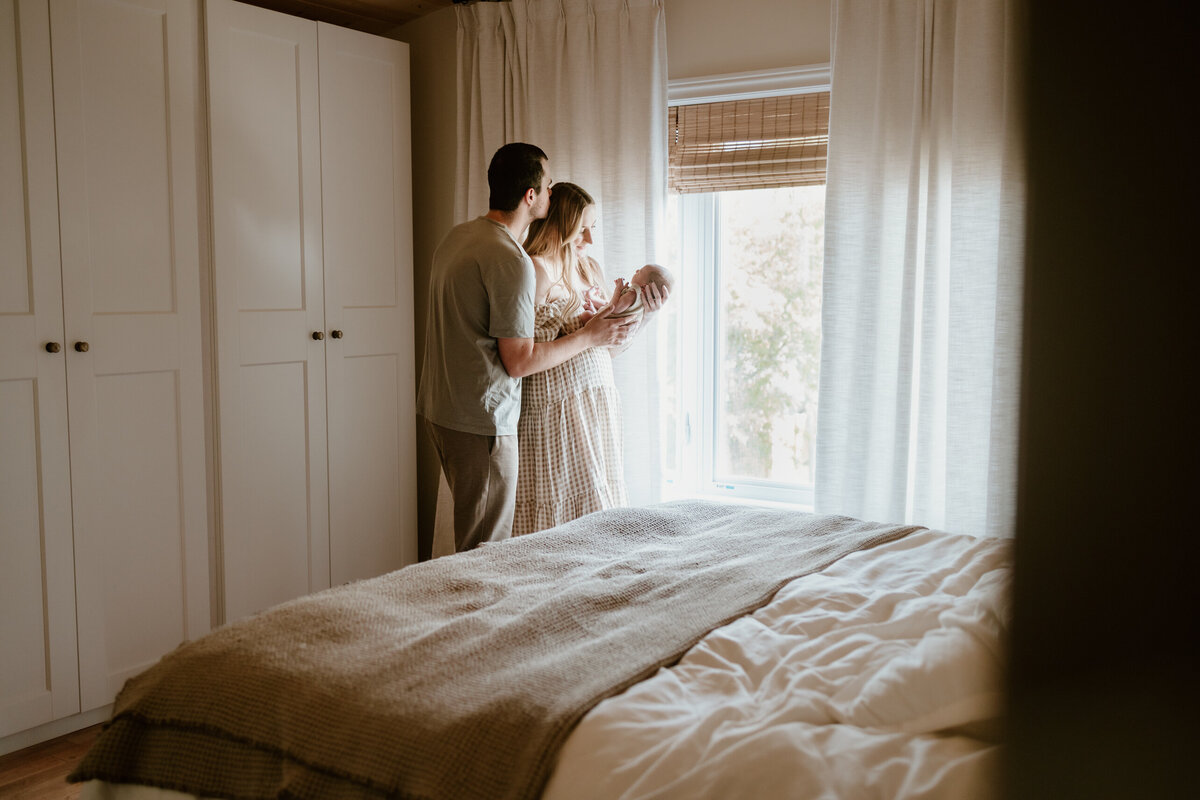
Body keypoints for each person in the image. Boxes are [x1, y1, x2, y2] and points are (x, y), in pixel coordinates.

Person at [417, 146, 637, 553]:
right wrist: (589, 336)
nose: (552, 192)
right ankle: (478, 613)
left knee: (473, 536)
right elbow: (518, 361)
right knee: (487, 547)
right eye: (548, 185)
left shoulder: (458, 236)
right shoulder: (511, 259)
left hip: (440, 408)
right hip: (481, 417)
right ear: (530, 196)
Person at [512, 182, 670, 537]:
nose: (589, 238)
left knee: (598, 516)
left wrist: (644, 318)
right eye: (582, 228)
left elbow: (607, 346)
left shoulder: (589, 270)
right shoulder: (535, 271)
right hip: (553, 409)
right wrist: (589, 335)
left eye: (592, 228)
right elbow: (521, 356)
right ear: (560, 225)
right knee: (558, 513)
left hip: (593, 402)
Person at [584, 263, 675, 322]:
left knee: (585, 316)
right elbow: (611, 305)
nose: (636, 271)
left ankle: (593, 314)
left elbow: (614, 308)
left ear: (644, 286)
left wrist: (618, 289)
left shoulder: (633, 294)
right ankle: (592, 300)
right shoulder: (641, 301)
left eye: (640, 272)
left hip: (606, 323)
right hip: (611, 319)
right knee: (605, 304)